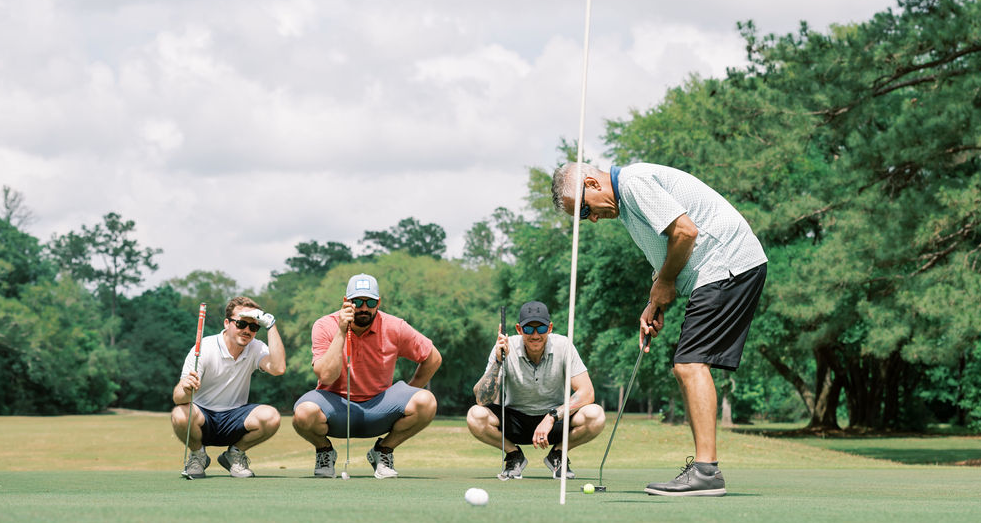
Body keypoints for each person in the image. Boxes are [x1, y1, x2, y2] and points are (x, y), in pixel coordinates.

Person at [552, 162, 767, 496]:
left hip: (726, 264)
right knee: (687, 365)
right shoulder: (626, 205)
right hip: (721, 268)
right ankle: (705, 470)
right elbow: (666, 248)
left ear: (592, 183)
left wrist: (666, 282)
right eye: (583, 217)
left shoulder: (633, 184)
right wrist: (656, 298)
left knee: (690, 364)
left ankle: (706, 472)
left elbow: (686, 232)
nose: (591, 219)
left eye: (584, 210)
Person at [291, 273, 442, 479]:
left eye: (370, 302)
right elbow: (326, 376)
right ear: (346, 302)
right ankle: (324, 451)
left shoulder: (395, 326)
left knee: (426, 402)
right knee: (303, 414)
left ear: (378, 303)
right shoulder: (324, 325)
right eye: (357, 302)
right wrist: (341, 331)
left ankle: (383, 450)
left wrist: (412, 389)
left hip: (380, 407)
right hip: (336, 407)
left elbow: (433, 358)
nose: (363, 308)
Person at [466, 300, 605, 480]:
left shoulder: (564, 345)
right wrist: (498, 362)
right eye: (528, 329)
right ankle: (513, 455)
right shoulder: (504, 346)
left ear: (550, 328)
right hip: (515, 421)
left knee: (596, 415)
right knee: (475, 415)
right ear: (519, 329)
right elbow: (482, 399)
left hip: (555, 422)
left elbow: (587, 392)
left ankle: (558, 454)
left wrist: (551, 417)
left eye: (541, 328)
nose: (535, 335)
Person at [171, 297, 286, 478]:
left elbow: (278, 368)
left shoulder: (256, 347)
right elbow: (178, 398)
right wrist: (185, 389)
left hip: (235, 419)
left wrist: (271, 326)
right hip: (203, 418)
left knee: (271, 417)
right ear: (227, 323)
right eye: (241, 324)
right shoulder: (205, 347)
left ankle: (234, 455)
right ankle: (198, 455)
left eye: (253, 327)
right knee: (179, 414)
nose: (247, 330)